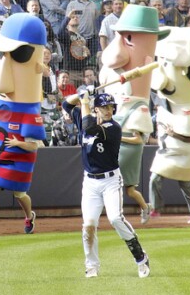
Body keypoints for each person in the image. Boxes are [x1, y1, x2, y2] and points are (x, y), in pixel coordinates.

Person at [63, 90, 150, 279]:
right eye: (104, 107)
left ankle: (141, 258)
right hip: (90, 182)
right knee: (89, 224)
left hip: (111, 180)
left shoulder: (113, 127)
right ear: (96, 109)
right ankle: (91, 265)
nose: (109, 110)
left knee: (116, 219)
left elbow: (88, 127)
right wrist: (80, 93)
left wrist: (85, 100)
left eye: (111, 107)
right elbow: (66, 105)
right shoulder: (85, 114)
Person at [0, 14, 46, 234]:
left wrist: (18, 142)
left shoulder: (31, 114)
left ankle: (28, 215)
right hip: (0, 154)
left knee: (19, 195)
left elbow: (34, 145)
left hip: (22, 159)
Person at [99, 4, 168, 224]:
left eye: (127, 36)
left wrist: (117, 137)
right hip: (116, 146)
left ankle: (144, 207)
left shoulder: (140, 108)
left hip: (128, 150)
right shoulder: (117, 91)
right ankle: (116, 215)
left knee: (128, 188)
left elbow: (139, 139)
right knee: (113, 184)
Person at [148, 27, 190, 223]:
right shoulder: (165, 105)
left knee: (185, 184)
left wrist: (174, 134)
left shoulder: (188, 105)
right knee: (155, 178)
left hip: (182, 148)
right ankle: (155, 209)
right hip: (168, 149)